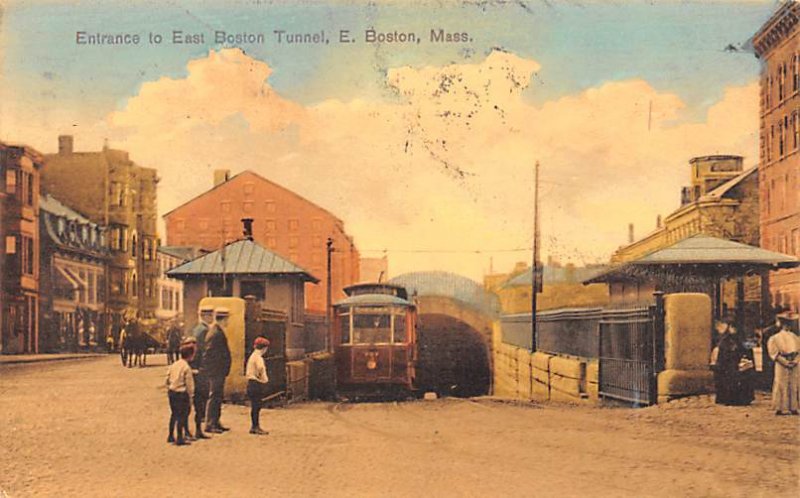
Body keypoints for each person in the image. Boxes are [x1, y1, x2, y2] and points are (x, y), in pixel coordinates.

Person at [711, 317, 754, 406]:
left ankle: (740, 399)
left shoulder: (739, 339)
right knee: (729, 380)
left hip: (737, 363)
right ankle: (729, 398)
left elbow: (745, 349)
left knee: (739, 380)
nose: (733, 330)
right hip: (728, 364)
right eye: (731, 327)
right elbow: (723, 353)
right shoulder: (725, 340)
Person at [204, 307, 232, 434]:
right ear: (223, 319)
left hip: (219, 371)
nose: (228, 322)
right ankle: (210, 424)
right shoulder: (215, 333)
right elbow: (209, 354)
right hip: (215, 371)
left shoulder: (217, 331)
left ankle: (216, 421)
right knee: (214, 396)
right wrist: (213, 370)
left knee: (218, 396)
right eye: (227, 319)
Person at [766, 312, 800, 416]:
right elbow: (774, 353)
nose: (787, 326)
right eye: (785, 323)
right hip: (782, 362)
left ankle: (793, 407)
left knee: (794, 384)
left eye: (789, 323)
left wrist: (796, 360)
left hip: (794, 363)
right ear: (781, 324)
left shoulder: (796, 338)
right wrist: (784, 362)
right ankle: (781, 407)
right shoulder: (775, 338)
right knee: (781, 383)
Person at [190, 305, 215, 439]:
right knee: (202, 395)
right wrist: (203, 367)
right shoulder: (204, 331)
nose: (212, 318)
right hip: (201, 368)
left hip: (197, 367)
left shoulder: (197, 329)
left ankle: (200, 422)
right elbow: (202, 351)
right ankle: (200, 424)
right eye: (210, 315)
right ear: (205, 316)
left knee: (200, 395)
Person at [165, 341, 195, 446]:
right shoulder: (186, 368)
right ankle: (180, 437)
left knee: (174, 414)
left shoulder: (174, 364)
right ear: (190, 355)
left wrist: (169, 387)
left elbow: (167, 377)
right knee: (182, 415)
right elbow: (189, 384)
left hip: (172, 392)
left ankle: (170, 435)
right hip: (181, 393)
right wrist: (191, 396)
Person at [246, 337, 270, 435]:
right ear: (264, 348)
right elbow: (260, 368)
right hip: (255, 383)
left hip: (250, 382)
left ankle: (254, 426)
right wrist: (264, 379)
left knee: (254, 406)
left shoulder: (253, 356)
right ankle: (255, 426)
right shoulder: (259, 358)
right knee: (257, 406)